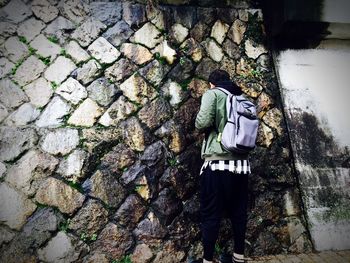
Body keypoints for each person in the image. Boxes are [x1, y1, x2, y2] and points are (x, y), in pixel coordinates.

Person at [191, 70, 251, 263]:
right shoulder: (241, 97)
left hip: (218, 163)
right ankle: (238, 257)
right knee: (238, 212)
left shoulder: (213, 94)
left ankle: (208, 260)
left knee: (211, 213)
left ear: (211, 84)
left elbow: (202, 123)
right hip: (241, 165)